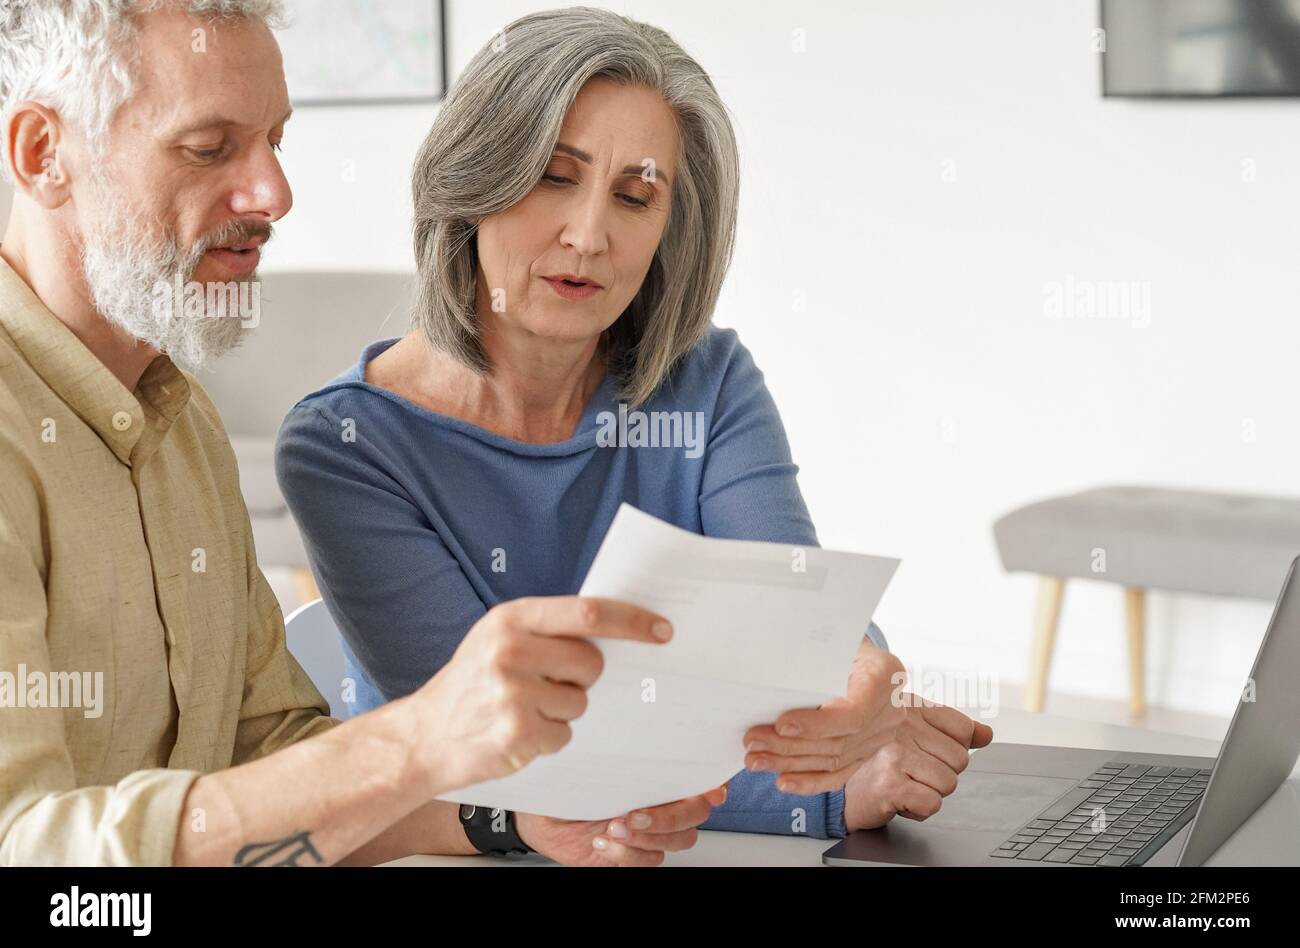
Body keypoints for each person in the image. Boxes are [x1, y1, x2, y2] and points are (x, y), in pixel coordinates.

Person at [0, 0, 719, 867]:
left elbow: (268, 751)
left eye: (276, 141)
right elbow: (30, 853)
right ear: (44, 155)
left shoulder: (180, 420)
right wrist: (419, 738)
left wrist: (503, 819)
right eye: (208, 147)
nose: (275, 194)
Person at [277, 6, 994, 854]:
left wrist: (854, 686)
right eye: (552, 176)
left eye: (635, 196)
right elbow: (498, 759)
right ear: (473, 184)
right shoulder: (344, 447)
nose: (589, 235)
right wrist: (828, 794)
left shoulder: (709, 379)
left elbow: (794, 617)